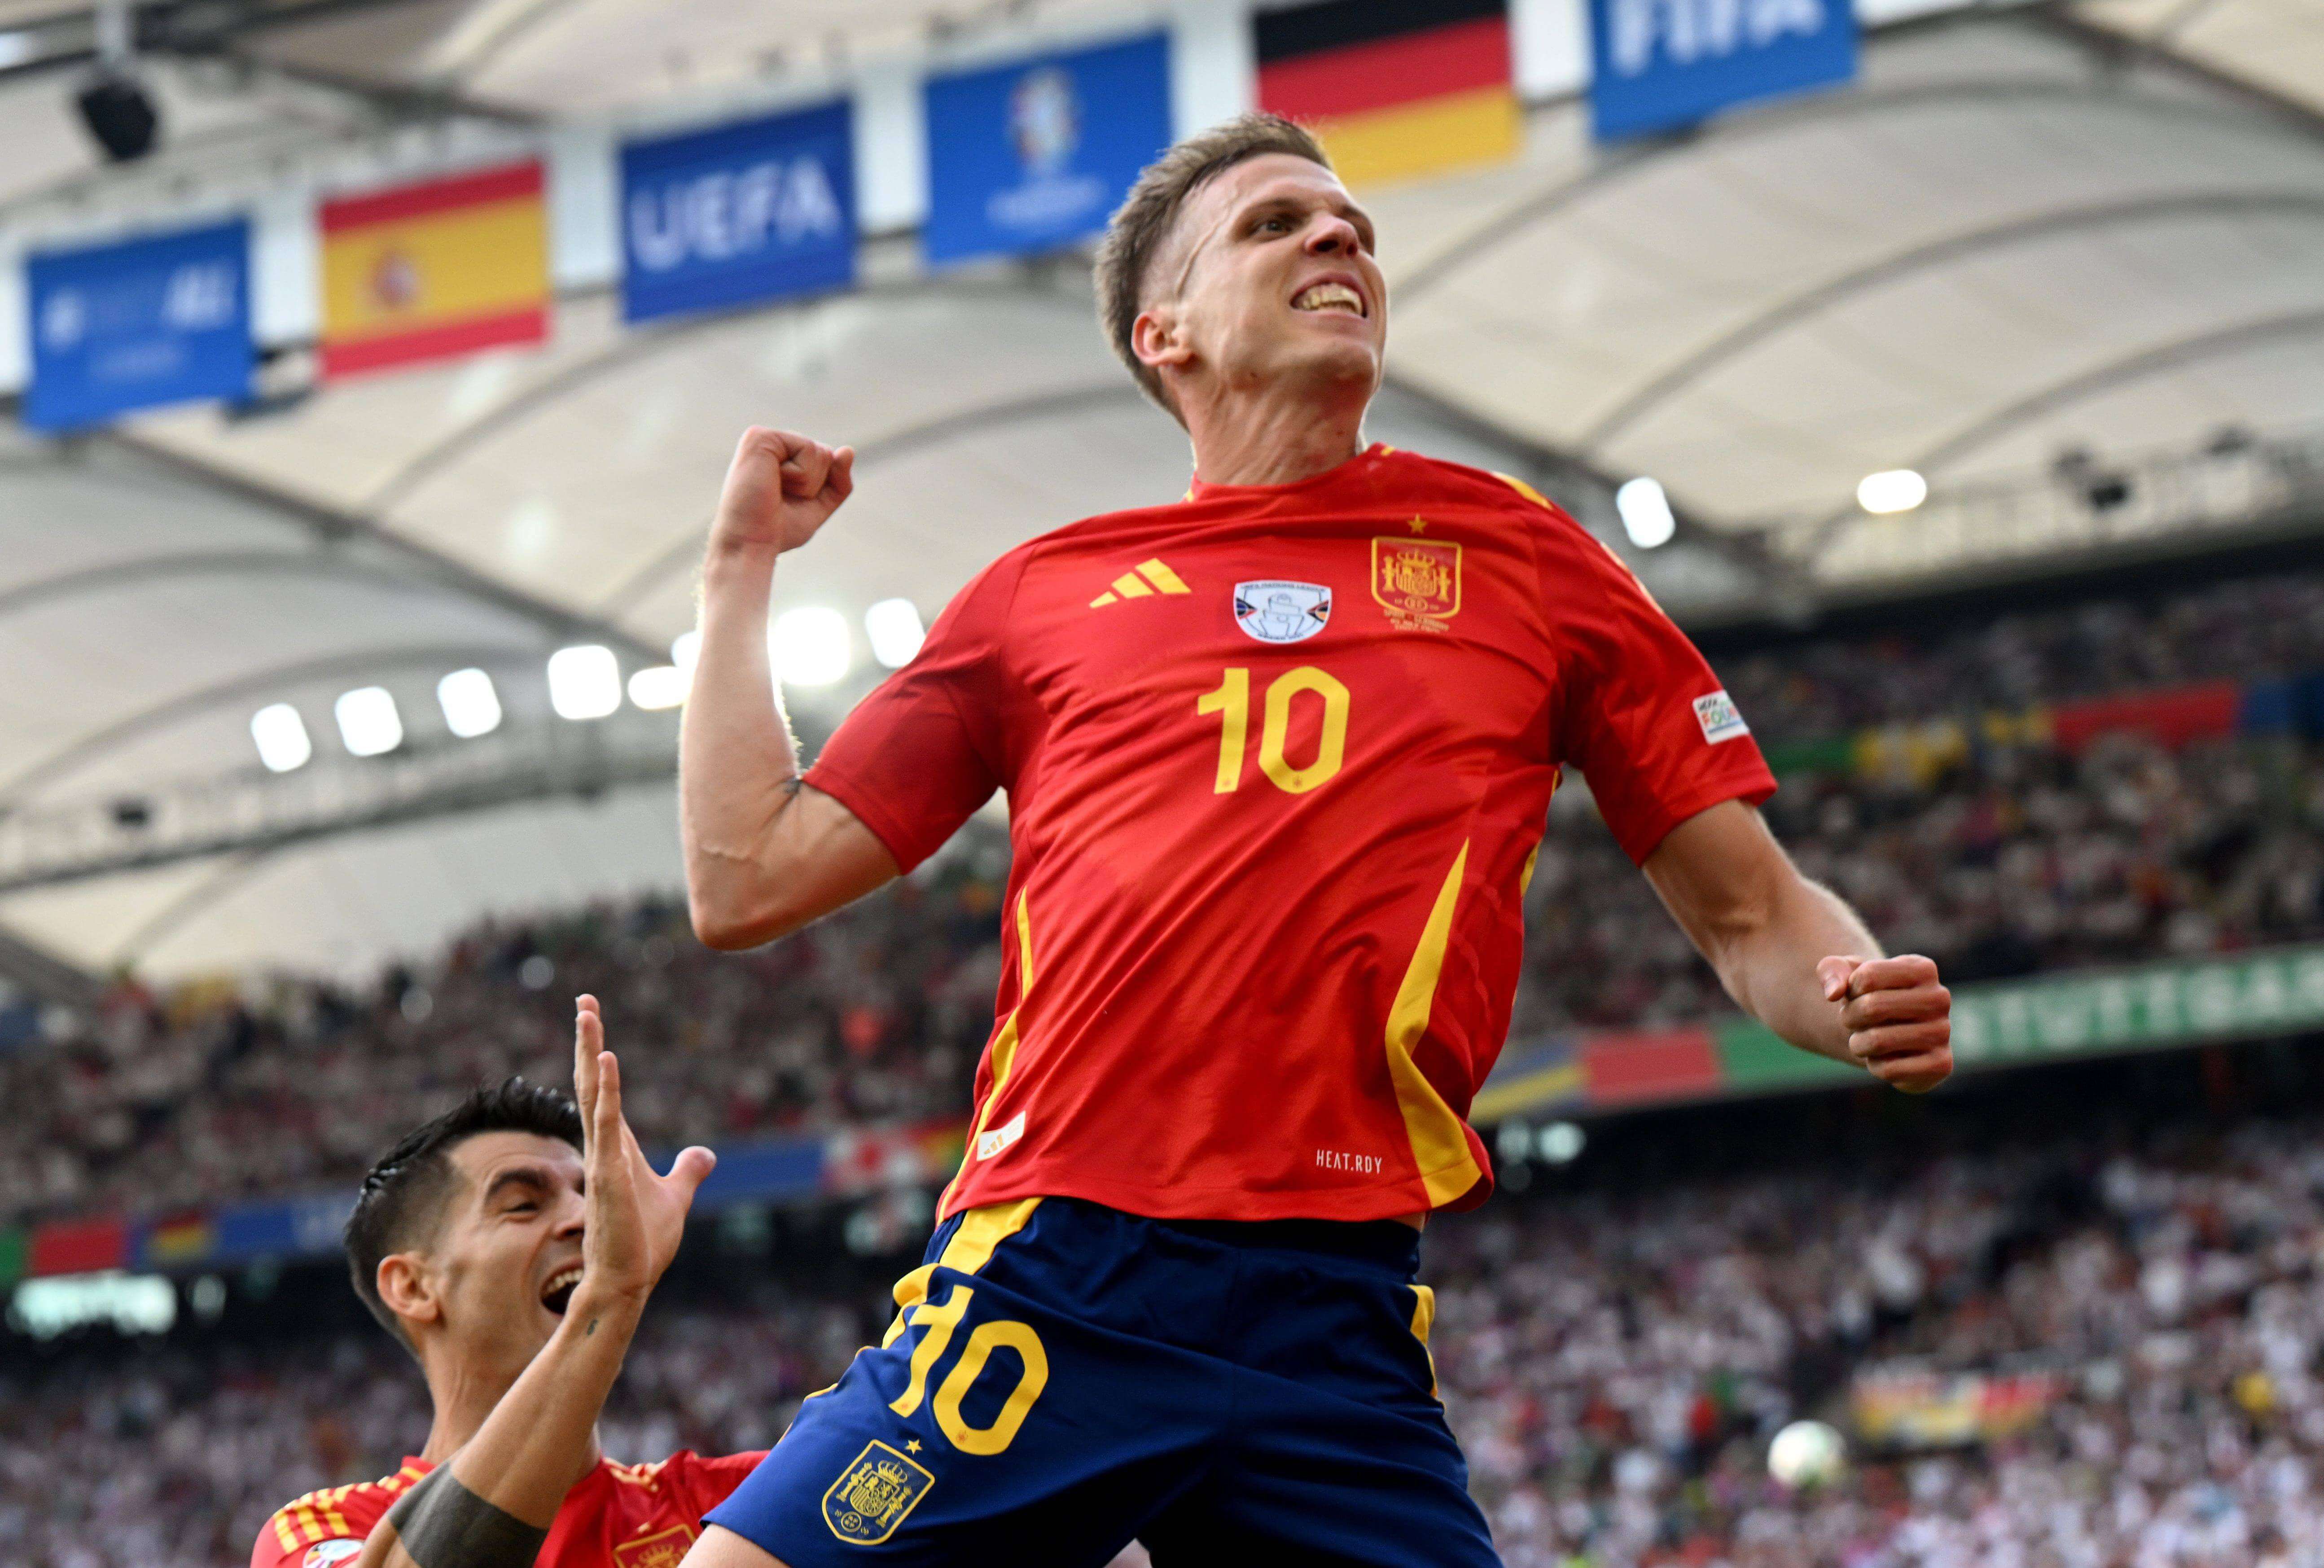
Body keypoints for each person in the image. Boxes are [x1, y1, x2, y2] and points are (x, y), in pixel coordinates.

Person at [676, 113, 1953, 1568]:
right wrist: (737, 571)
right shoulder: (1042, 596)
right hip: (1063, 1273)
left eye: (1351, 225)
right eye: (1273, 224)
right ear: (1164, 334)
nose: (1339, 236)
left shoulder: (1528, 561)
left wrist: (1848, 992)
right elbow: (746, 875)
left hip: (1337, 1317)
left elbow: (1752, 913)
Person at [252, 997, 738, 1568]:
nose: (588, 1218)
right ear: (413, 1286)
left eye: (590, 1193)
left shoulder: (727, 1504)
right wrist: (609, 1298)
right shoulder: (324, 1528)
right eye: (523, 1204)